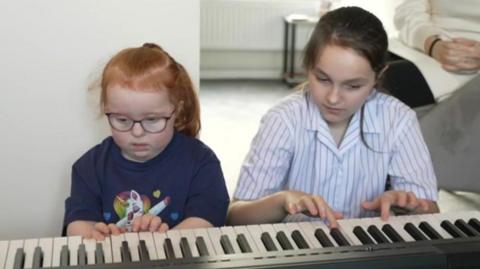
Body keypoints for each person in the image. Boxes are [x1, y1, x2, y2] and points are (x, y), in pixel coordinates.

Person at [227, 7, 439, 228]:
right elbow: (236, 217)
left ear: (378, 76)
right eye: (322, 79)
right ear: (308, 66)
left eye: (353, 85)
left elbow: (432, 213)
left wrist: (410, 205)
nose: (334, 98)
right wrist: (281, 201)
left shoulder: (399, 120)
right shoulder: (283, 119)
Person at [63, 43, 229, 240]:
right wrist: (94, 235)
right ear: (106, 109)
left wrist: (159, 242)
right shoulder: (89, 167)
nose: (137, 131)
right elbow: (78, 224)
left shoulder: (201, 162)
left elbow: (206, 221)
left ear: (177, 111)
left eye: (152, 120)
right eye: (122, 120)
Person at [386, 0, 480, 107]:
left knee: (374, 85)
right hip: (414, 44)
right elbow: (408, 10)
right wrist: (431, 44)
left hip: (463, 66)